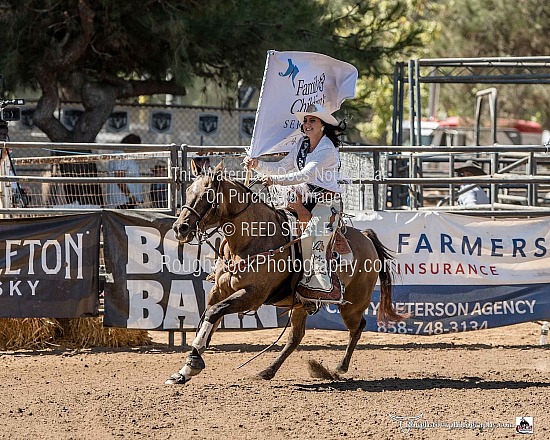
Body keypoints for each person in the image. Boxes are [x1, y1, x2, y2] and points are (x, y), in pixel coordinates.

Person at [244, 103, 345, 301]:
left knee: (309, 238)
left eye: (312, 120)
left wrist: (276, 180)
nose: (307, 124)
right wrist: (257, 165)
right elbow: (283, 166)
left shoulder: (327, 149)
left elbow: (305, 174)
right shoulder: (302, 144)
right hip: (303, 198)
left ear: (323, 125)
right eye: (306, 120)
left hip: (326, 203)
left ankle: (319, 286)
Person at [106, 133, 144, 209]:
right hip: (122, 200)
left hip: (131, 200)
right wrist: (130, 195)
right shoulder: (120, 155)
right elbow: (119, 178)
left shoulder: (128, 155)